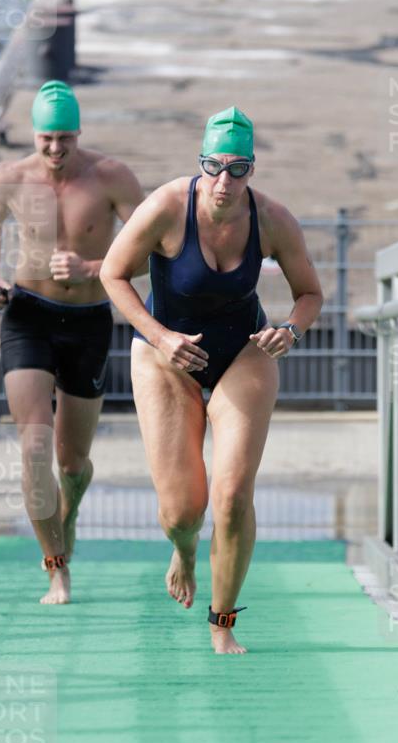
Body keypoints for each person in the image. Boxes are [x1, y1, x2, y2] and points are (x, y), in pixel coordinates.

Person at [100, 107, 323, 654]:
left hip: (243, 351)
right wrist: (160, 338)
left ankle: (222, 621)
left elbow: (310, 293)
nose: (224, 181)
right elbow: (112, 273)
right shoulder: (166, 206)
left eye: (237, 168)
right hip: (165, 356)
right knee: (183, 511)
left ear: (252, 169)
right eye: (214, 166)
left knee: (231, 495)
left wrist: (291, 329)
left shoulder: (272, 219)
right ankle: (184, 550)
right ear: (200, 163)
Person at [0, 80, 144, 604]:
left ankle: (68, 512)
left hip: (89, 321)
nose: (55, 148)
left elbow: (155, 249)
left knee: (71, 466)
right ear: (34, 134)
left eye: (65, 138)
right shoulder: (9, 176)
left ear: (79, 133)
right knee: (33, 448)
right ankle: (56, 568)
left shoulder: (111, 176)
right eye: (46, 138)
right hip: (27, 315)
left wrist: (92, 267)